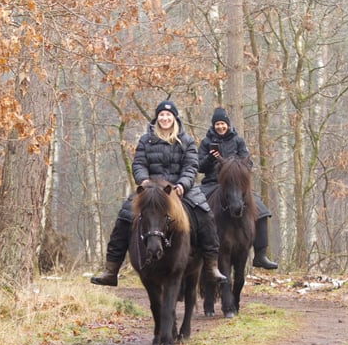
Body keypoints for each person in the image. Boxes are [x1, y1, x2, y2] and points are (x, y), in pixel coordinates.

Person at [91, 100, 228, 287]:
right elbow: (139, 164)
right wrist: (144, 181)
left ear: (174, 119)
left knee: (205, 215)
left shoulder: (186, 141)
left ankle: (211, 266)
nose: (164, 118)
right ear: (157, 118)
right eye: (161, 115)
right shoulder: (145, 140)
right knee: (124, 216)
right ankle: (111, 269)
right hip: (151, 190)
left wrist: (182, 184)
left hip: (179, 189)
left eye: (168, 115)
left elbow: (191, 166)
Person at [197, 106, 278, 270]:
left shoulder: (238, 140)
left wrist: (240, 166)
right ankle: (195, 247)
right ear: (213, 126)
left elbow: (248, 162)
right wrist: (210, 158)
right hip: (212, 184)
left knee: (261, 210)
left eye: (223, 123)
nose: (220, 126)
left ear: (228, 124)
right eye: (217, 124)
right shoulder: (206, 142)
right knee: (194, 207)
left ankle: (260, 254)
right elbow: (199, 166)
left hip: (236, 185)